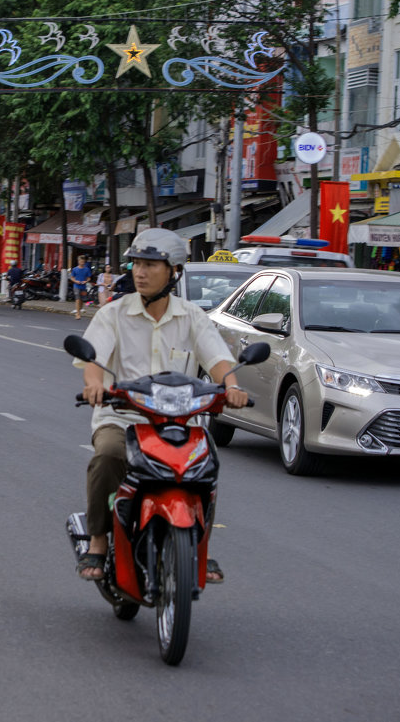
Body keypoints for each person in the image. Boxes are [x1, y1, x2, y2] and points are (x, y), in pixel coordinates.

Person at [74, 228, 248, 585]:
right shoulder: (113, 314)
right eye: (137, 263)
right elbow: (94, 357)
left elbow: (217, 360)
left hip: (179, 423)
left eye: (151, 264)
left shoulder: (192, 317)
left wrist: (232, 387)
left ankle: (201, 546)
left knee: (206, 465)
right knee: (107, 455)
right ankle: (98, 538)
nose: (140, 272)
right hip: (122, 417)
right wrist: (94, 384)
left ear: (174, 272)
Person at [70, 255, 93, 320]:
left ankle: (78, 311)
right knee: (77, 299)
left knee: (81, 300)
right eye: (81, 261)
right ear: (78, 261)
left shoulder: (87, 269)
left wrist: (85, 281)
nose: (82, 262)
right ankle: (78, 314)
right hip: (76, 286)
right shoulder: (75, 269)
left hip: (83, 286)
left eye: (83, 261)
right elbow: (72, 278)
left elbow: (89, 278)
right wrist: (76, 281)